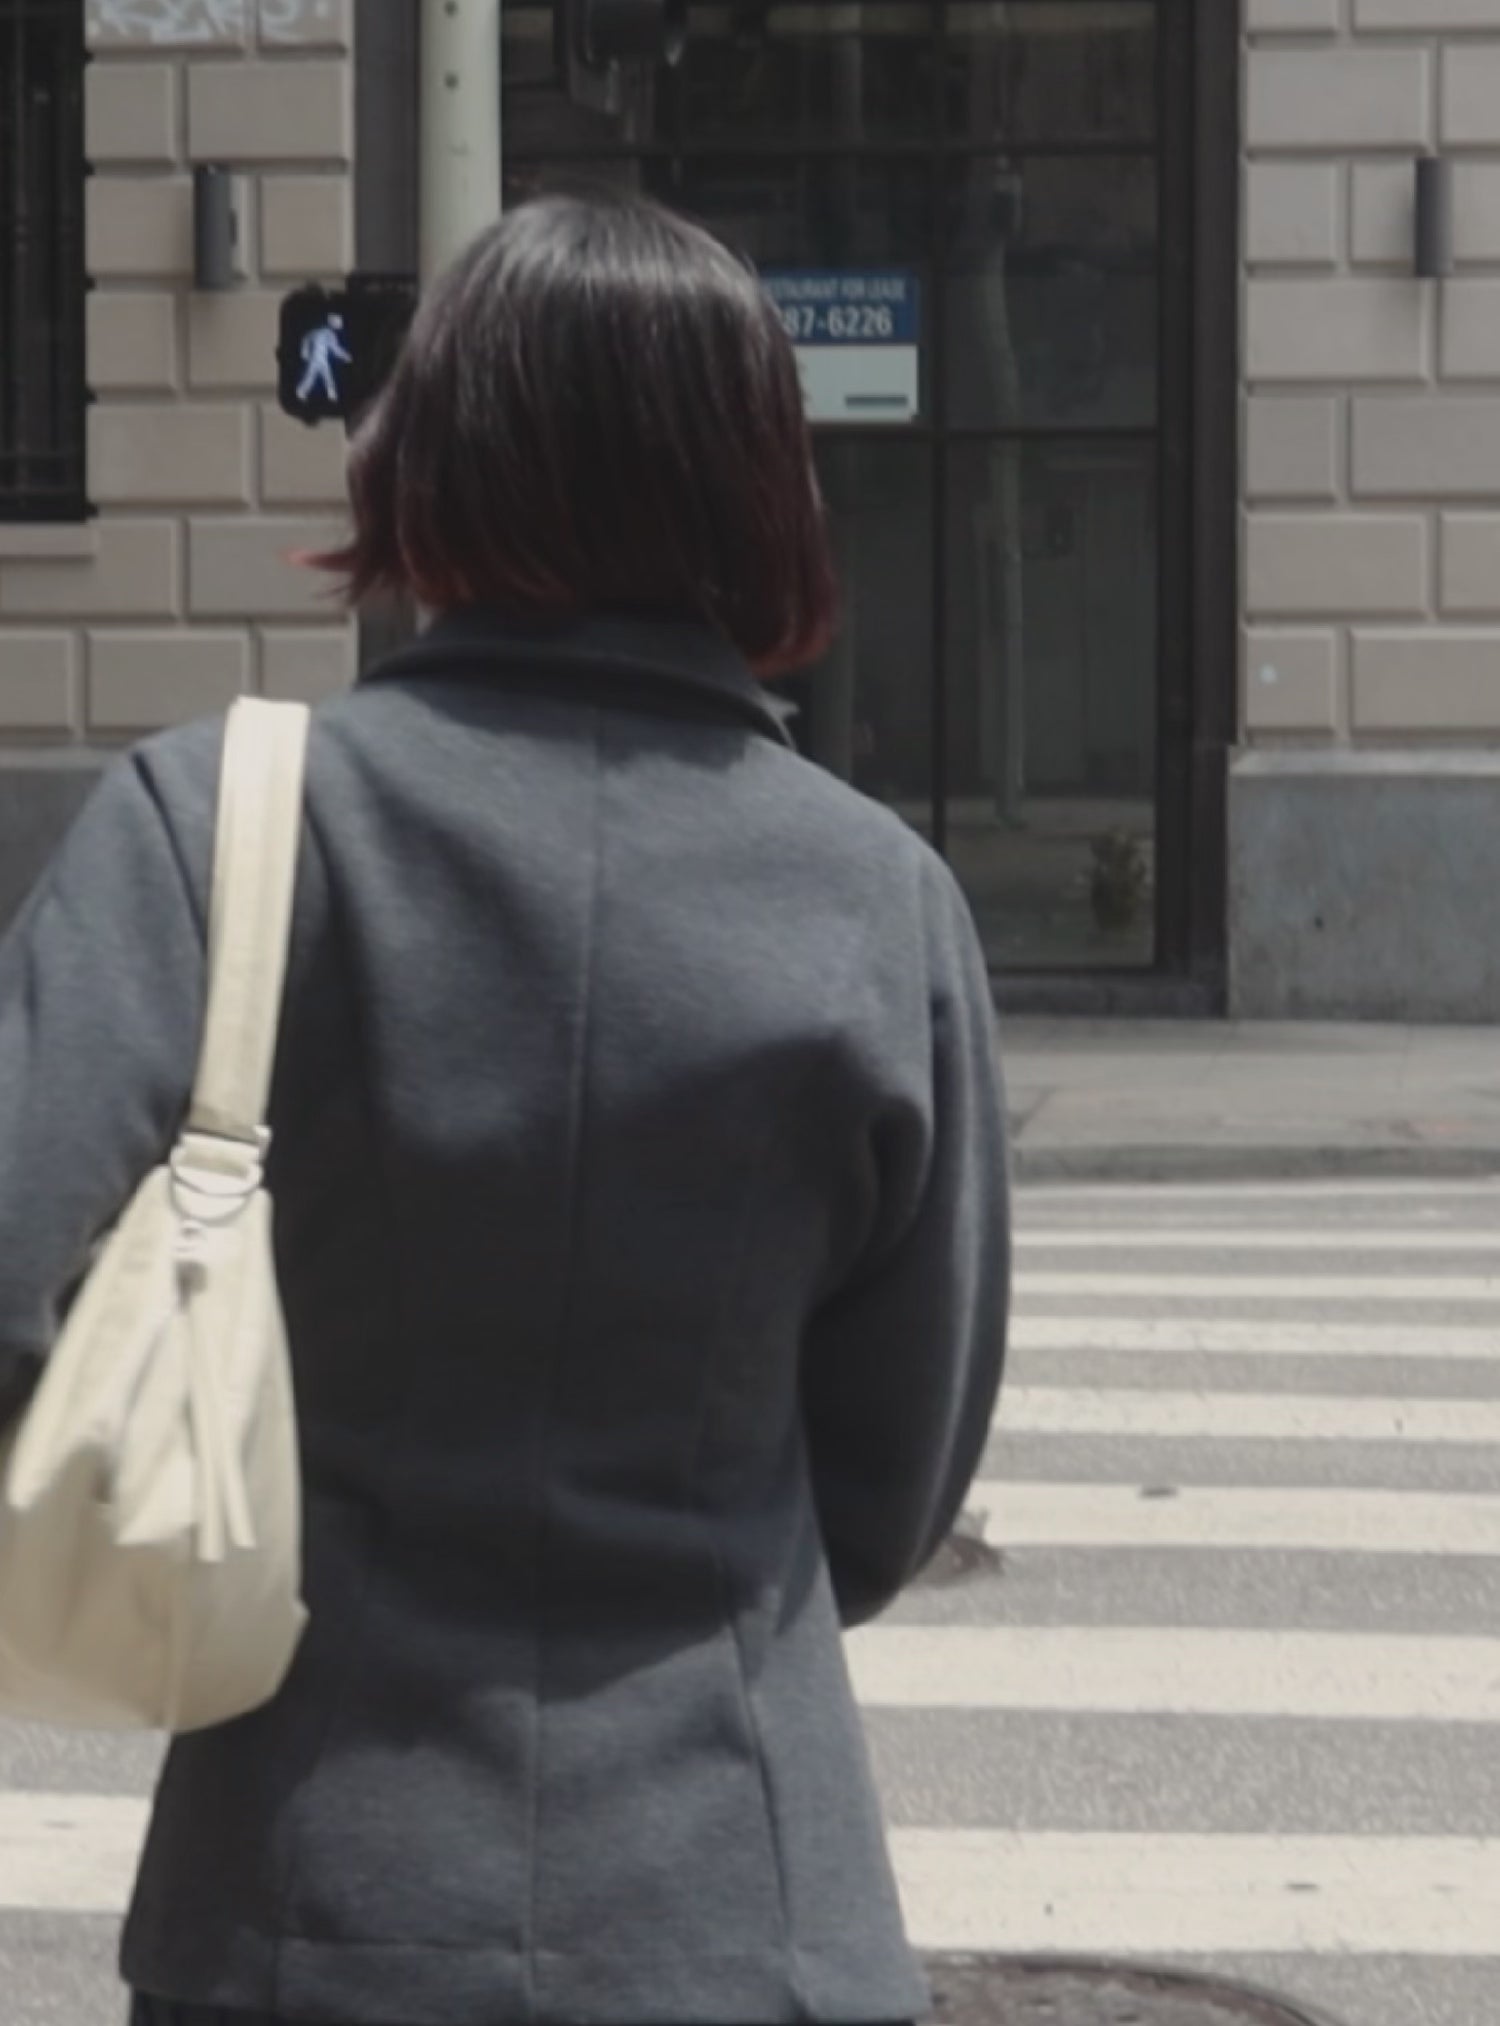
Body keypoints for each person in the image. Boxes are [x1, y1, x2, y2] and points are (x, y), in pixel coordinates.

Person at [0, 190, 1009, 2026]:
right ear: (763, 488)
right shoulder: (881, 899)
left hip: (308, 1888)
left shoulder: (218, 827)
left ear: (427, 456)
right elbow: (889, 1485)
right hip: (748, 1898)